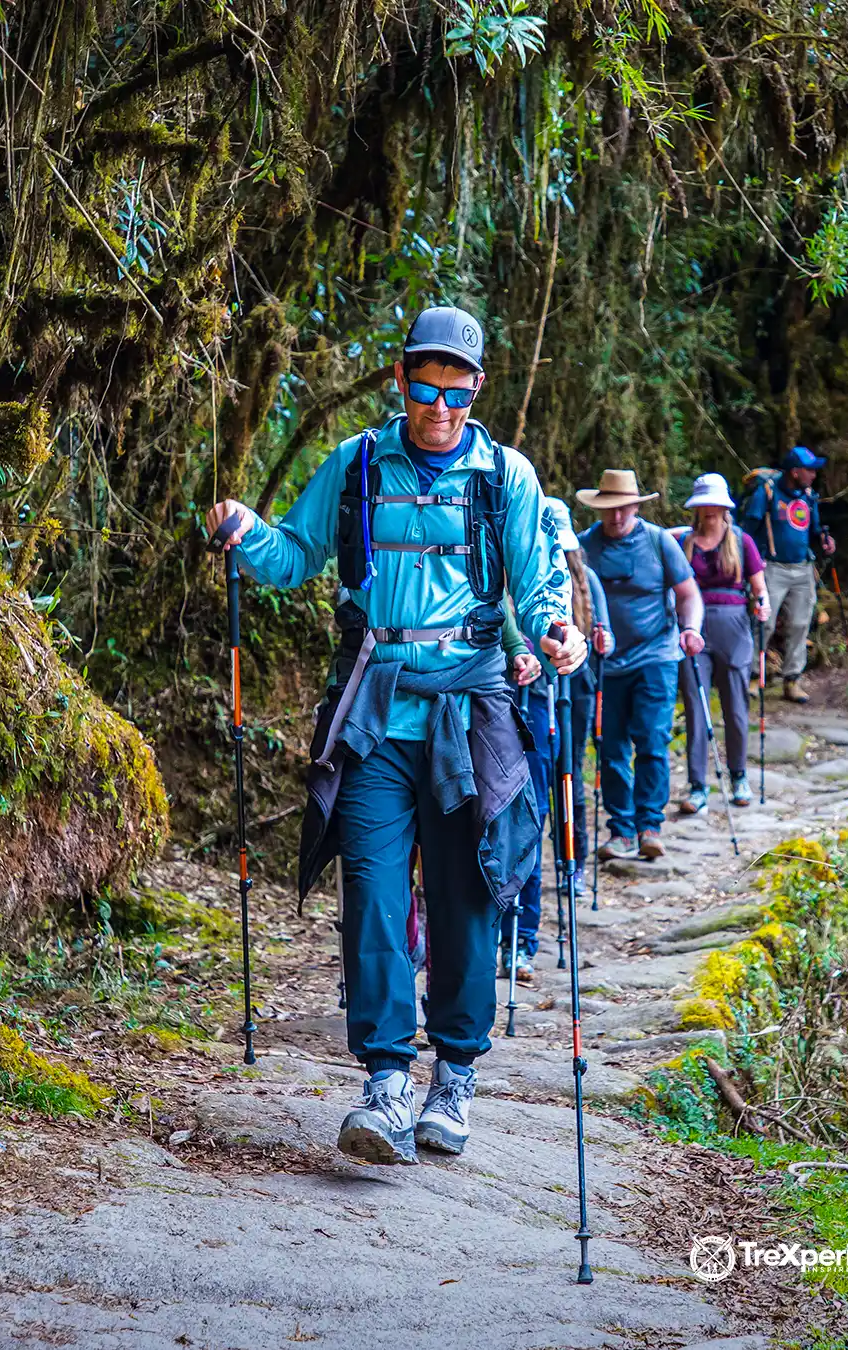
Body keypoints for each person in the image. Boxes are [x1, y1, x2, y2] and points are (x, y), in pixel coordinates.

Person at [206, 305, 585, 1166]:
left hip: (471, 708)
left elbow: (536, 590)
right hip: (375, 710)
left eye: (456, 390)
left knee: (465, 897)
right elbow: (295, 555)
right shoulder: (359, 463)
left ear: (477, 387)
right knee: (372, 895)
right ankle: (384, 1080)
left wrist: (558, 633)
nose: (439, 406)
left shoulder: (506, 477)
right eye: (424, 386)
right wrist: (243, 532)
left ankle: (453, 1074)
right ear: (401, 378)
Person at [498, 499, 613, 983]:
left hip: (555, 701)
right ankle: (504, 938)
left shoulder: (583, 584)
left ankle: (524, 937)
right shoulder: (502, 579)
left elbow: (597, 635)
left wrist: (591, 643)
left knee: (544, 809)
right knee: (510, 820)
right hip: (501, 705)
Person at [577, 469, 704, 861]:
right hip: (606, 664)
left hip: (656, 656)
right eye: (610, 510)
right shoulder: (584, 547)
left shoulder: (658, 541)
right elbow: (574, 598)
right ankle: (622, 829)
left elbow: (688, 594)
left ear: (636, 505)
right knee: (611, 748)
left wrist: (691, 628)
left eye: (624, 508)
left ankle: (650, 824)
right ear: (599, 509)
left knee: (652, 739)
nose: (617, 517)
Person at [670, 473, 771, 812]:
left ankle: (738, 776)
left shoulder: (741, 541)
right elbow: (656, 540)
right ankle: (698, 787)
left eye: (714, 504)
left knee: (736, 707)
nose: (709, 510)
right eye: (703, 505)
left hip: (734, 628)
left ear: (724, 507)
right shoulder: (683, 540)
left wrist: (763, 604)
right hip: (692, 629)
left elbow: (759, 587)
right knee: (696, 708)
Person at [740, 445, 835, 704]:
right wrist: (751, 565)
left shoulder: (808, 496)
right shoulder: (768, 493)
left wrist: (825, 541)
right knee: (763, 622)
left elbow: (815, 529)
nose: (814, 475)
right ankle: (752, 676)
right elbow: (747, 530)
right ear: (795, 472)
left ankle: (792, 680)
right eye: (809, 470)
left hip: (803, 568)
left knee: (800, 623)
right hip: (771, 567)